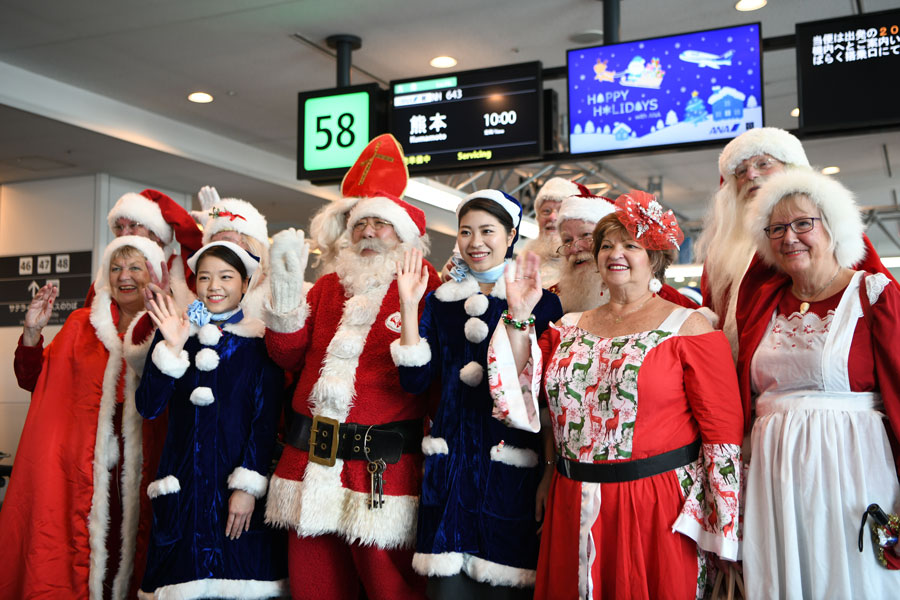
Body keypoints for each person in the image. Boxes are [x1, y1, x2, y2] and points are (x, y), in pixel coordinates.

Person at [489, 190, 744, 599]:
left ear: (655, 257)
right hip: (572, 502)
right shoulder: (567, 327)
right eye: (605, 244)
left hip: (655, 506)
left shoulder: (689, 327)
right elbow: (519, 397)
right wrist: (520, 315)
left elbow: (722, 433)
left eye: (631, 244)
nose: (614, 253)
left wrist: (726, 529)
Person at [263, 134, 440, 600]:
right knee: (315, 587)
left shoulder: (428, 286)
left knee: (392, 589)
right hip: (310, 465)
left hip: (381, 471)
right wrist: (284, 292)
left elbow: (423, 381)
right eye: (361, 224)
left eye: (382, 225)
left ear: (405, 237)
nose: (368, 233)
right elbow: (284, 356)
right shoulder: (325, 289)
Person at [735, 169, 900, 598]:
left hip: (850, 471)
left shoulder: (874, 294)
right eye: (777, 228)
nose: (789, 237)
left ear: (833, 226)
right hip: (773, 477)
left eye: (803, 223)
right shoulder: (761, 303)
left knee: (850, 577)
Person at [394, 189, 563, 596]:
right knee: (446, 590)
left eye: (487, 230)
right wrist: (409, 306)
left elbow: (543, 394)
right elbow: (415, 383)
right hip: (449, 464)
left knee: (503, 585)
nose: (475, 242)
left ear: (511, 235)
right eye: (465, 231)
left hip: (511, 460)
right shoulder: (440, 300)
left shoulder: (545, 305)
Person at [1, 236, 168, 600]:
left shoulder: (169, 327)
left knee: (140, 557)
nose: (125, 276)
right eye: (117, 268)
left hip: (146, 467)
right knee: (79, 559)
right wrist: (32, 333)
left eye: (135, 267)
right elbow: (37, 381)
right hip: (82, 471)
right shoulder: (81, 325)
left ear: (153, 274)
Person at [136, 241, 287, 599]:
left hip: (234, 487)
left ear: (245, 284)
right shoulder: (175, 332)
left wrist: (247, 487)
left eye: (225, 276)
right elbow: (148, 406)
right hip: (183, 488)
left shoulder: (259, 341)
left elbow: (265, 422)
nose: (214, 286)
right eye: (204, 277)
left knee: (238, 584)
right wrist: (171, 347)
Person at [695, 127, 811, 355]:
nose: (750, 175)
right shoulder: (722, 252)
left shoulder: (825, 231)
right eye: (740, 171)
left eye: (763, 163)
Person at [196, 186, 273, 318]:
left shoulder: (278, 294)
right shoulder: (207, 298)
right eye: (214, 245)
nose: (221, 252)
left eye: (228, 242)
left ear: (253, 246)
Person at [521, 177, 585, 287]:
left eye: (561, 210)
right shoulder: (523, 263)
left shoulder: (589, 265)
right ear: (537, 218)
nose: (552, 217)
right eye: (546, 211)